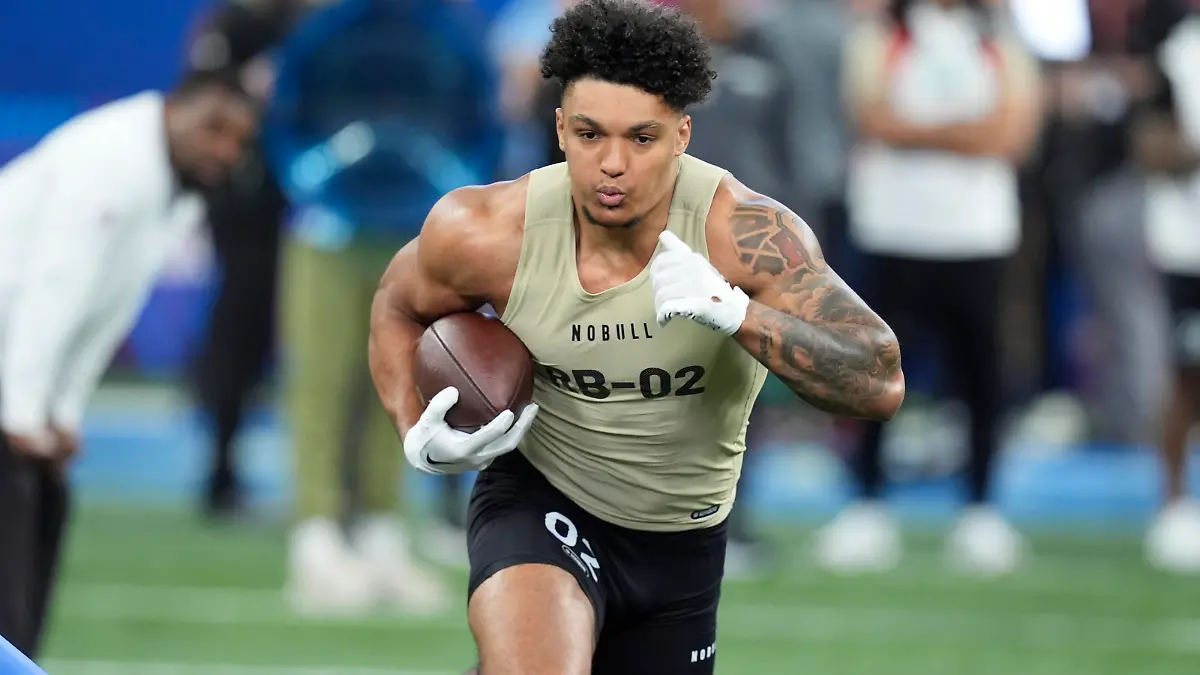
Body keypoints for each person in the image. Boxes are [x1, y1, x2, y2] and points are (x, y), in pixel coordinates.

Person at [368, 1, 905, 672]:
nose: (612, 163)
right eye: (590, 134)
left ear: (682, 135)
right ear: (560, 129)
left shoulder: (743, 236)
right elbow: (396, 303)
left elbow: (881, 379)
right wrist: (415, 429)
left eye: (641, 138)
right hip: (540, 499)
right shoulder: (488, 230)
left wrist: (737, 314)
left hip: (681, 545)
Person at [0, 69, 257, 658]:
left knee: (44, 509)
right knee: (13, 519)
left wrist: (62, 411)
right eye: (214, 129)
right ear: (176, 109)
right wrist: (22, 415)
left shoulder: (175, 188)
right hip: (9, 363)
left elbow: (109, 306)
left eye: (238, 140)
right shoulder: (112, 161)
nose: (224, 150)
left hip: (18, 369)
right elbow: (54, 287)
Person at [815, 0, 1043, 577]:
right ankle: (866, 504)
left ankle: (981, 509)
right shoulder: (880, 37)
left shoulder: (1000, 39)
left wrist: (916, 130)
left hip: (977, 234)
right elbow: (870, 119)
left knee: (981, 377)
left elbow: (1012, 134)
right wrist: (966, 130)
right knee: (871, 370)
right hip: (892, 228)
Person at [186, 0, 311, 519]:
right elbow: (198, 100)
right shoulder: (232, 27)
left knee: (279, 337)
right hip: (243, 208)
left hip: (300, 200)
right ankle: (220, 470)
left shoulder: (303, 26)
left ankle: (296, 475)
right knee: (238, 330)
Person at [1141, 2, 1200, 573]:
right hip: (1191, 244)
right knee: (1187, 377)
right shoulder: (1178, 50)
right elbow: (1155, 149)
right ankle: (1175, 505)